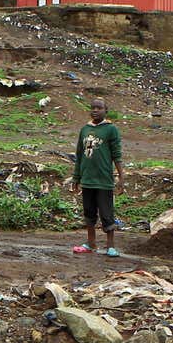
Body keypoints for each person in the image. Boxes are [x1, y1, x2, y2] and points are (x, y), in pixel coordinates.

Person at [67, 99, 123, 257]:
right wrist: (76, 178)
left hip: (104, 179)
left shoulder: (111, 129)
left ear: (106, 110)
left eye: (99, 108)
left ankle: (110, 246)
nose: (95, 111)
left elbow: (117, 155)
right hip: (87, 179)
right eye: (93, 108)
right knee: (89, 213)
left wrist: (121, 178)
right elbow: (79, 155)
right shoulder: (85, 130)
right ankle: (91, 244)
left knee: (107, 213)